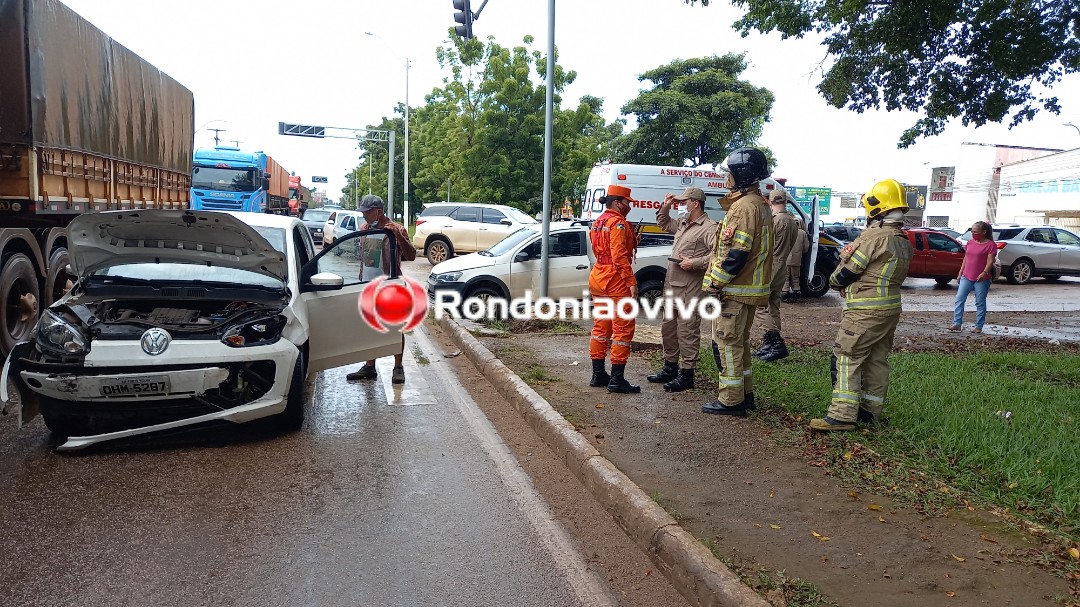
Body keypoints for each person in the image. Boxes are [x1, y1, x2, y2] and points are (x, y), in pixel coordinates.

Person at [810, 178, 913, 431]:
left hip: (864, 311)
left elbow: (847, 273)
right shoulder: (901, 239)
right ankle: (870, 412)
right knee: (877, 359)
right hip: (890, 309)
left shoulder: (873, 237)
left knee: (847, 356)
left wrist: (835, 279)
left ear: (876, 208)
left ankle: (842, 416)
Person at [701, 148, 774, 416]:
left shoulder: (743, 207)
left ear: (741, 175)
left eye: (729, 174)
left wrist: (714, 285)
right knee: (739, 343)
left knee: (726, 342)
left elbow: (736, 253)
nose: (726, 179)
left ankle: (731, 400)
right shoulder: (760, 204)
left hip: (734, 291)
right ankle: (745, 393)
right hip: (748, 290)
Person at [646, 187, 717, 392]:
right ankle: (670, 367)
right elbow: (663, 223)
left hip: (690, 288)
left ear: (695, 203)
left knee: (687, 330)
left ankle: (687, 374)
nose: (681, 205)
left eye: (684, 202)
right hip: (672, 285)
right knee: (668, 329)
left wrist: (695, 262)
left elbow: (718, 255)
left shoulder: (709, 228)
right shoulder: (683, 224)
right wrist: (666, 206)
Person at [346, 194, 418, 384]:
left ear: (378, 211)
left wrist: (399, 237)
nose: (364, 217)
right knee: (370, 327)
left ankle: (398, 367)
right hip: (368, 286)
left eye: (367, 213)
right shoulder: (364, 229)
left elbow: (411, 256)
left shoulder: (396, 230)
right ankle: (370, 366)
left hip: (390, 286)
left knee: (395, 328)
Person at [588, 185, 641, 394]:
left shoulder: (598, 222)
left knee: (601, 328)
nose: (629, 206)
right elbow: (619, 256)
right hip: (616, 281)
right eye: (627, 202)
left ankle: (598, 374)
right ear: (618, 202)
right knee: (623, 330)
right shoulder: (617, 223)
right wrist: (631, 282)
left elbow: (602, 251)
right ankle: (617, 380)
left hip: (599, 277)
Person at [752, 188, 800, 362]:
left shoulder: (775, 221)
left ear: (769, 202)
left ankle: (776, 343)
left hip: (770, 267)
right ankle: (770, 344)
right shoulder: (793, 221)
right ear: (786, 201)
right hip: (782, 267)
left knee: (760, 306)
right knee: (774, 305)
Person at [950, 221, 997, 334]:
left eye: (976, 231)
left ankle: (979, 325)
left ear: (984, 232)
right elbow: (966, 258)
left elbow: (991, 261)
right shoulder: (970, 243)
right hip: (967, 276)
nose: (973, 233)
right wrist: (960, 273)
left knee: (980, 302)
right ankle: (957, 323)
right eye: (972, 231)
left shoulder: (990, 245)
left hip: (982, 279)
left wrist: (984, 273)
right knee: (959, 299)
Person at [782, 219, 810, 303]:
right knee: (795, 277)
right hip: (797, 259)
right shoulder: (802, 233)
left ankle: (785, 293)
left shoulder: (786, 231)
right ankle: (796, 292)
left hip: (785, 259)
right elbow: (806, 247)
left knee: (785, 277)